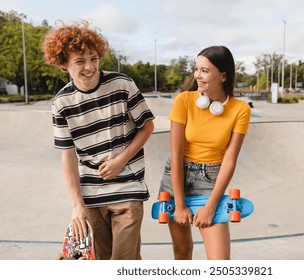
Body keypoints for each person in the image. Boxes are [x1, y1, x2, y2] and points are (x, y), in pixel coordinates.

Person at [42, 20, 155, 260]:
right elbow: (68, 155)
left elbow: (147, 126)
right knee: (101, 261)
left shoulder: (122, 84)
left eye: (94, 58)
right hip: (91, 195)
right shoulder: (61, 103)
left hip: (128, 187)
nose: (90, 67)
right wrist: (77, 205)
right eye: (80, 61)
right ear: (63, 64)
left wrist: (121, 160)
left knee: (124, 262)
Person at [159, 46, 251, 260]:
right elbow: (176, 152)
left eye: (205, 70)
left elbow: (229, 160)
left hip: (211, 179)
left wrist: (211, 206)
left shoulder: (240, 110)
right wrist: (180, 205)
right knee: (182, 252)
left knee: (220, 262)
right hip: (176, 176)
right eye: (196, 69)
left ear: (223, 75)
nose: (197, 75)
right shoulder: (184, 101)